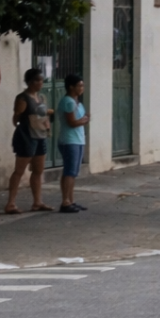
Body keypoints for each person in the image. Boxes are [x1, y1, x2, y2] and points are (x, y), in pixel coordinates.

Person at [4, 68, 54, 213]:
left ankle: (37, 202)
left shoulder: (42, 98)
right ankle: (11, 203)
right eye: (38, 80)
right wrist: (22, 129)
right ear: (30, 82)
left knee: (38, 170)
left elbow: (44, 114)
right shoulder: (23, 98)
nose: (41, 83)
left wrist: (46, 125)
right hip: (27, 137)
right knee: (19, 170)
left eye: (41, 80)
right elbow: (16, 118)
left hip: (41, 136)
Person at [57, 74, 90, 214]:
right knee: (70, 171)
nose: (82, 88)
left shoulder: (77, 102)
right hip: (70, 140)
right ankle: (65, 201)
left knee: (72, 172)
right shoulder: (68, 102)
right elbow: (72, 122)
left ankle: (70, 200)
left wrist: (84, 119)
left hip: (77, 139)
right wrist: (84, 120)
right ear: (71, 87)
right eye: (79, 85)